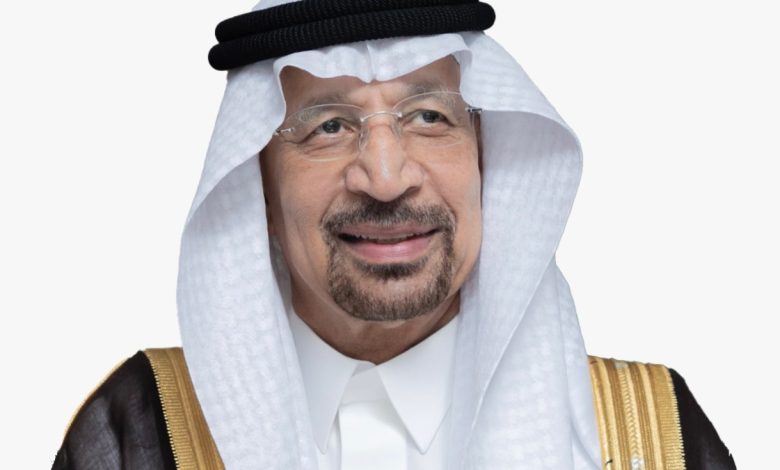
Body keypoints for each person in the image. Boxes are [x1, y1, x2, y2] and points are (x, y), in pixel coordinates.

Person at [53, 0, 736, 469]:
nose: (385, 178)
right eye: (328, 127)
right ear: (255, 183)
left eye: (429, 117)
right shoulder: (139, 434)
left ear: (488, 158)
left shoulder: (652, 438)